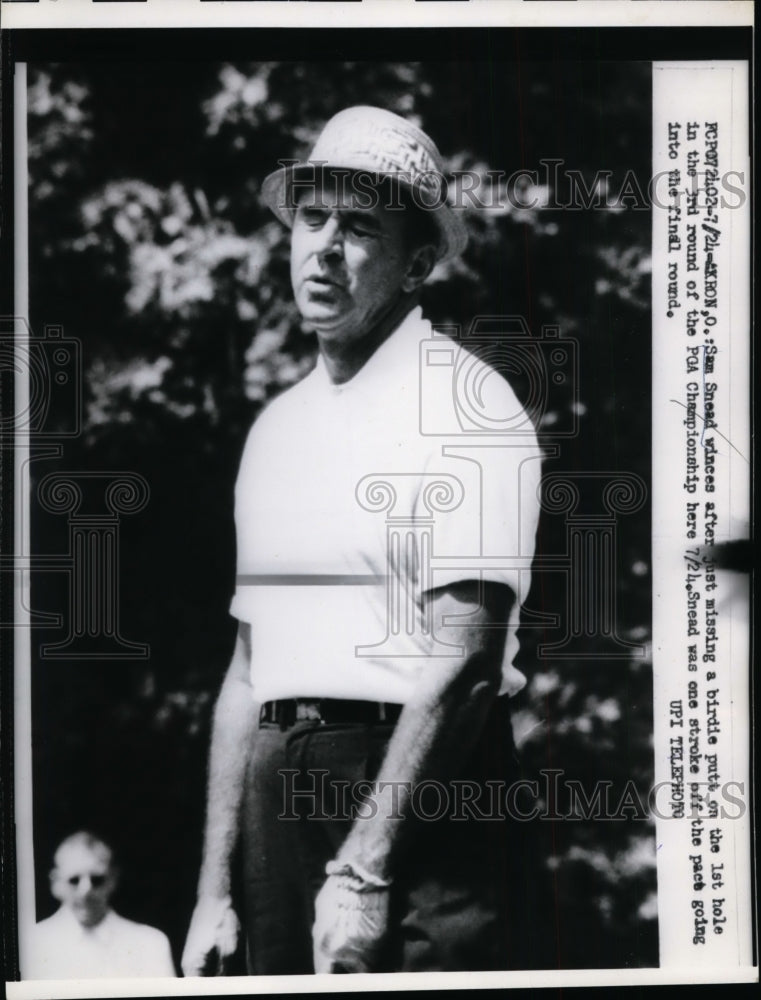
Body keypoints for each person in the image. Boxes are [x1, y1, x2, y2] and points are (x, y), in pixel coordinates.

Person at [182, 106, 544, 976]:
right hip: (275, 795)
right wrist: (212, 896)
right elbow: (245, 673)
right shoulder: (275, 429)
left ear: (417, 263)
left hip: (417, 799)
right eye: (313, 218)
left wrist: (364, 869)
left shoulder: (467, 405)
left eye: (359, 226)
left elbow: (465, 662)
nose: (325, 247)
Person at [25, 831, 176, 979]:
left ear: (113, 879)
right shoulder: (32, 943)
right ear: (56, 883)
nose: (86, 891)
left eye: (97, 879)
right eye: (74, 880)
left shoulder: (150, 943)